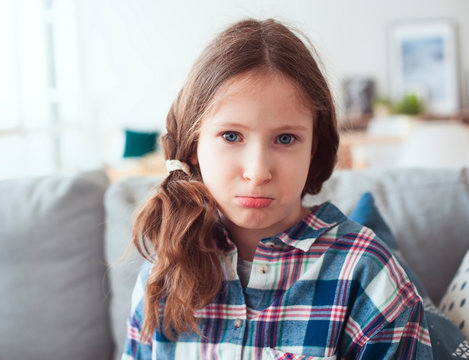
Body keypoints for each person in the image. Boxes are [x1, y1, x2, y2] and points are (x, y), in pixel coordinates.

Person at [122, 18, 432, 359]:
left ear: (313, 147)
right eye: (231, 136)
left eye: (285, 138)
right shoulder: (161, 277)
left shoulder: (368, 276)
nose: (257, 172)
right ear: (194, 145)